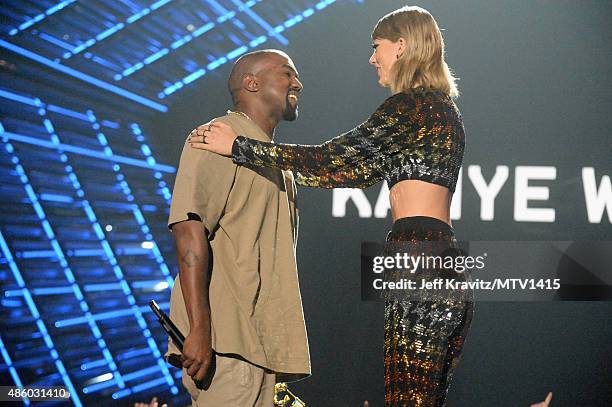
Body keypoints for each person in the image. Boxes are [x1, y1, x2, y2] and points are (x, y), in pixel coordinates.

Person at [188, 6, 473, 406]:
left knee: (407, 399)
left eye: (378, 47)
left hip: (416, 256)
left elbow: (329, 163)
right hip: (445, 260)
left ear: (403, 46)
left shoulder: (409, 107)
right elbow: (355, 171)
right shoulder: (446, 111)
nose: (373, 58)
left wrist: (239, 147)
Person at [164, 49, 310, 406]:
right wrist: (199, 329)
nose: (298, 83)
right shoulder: (214, 138)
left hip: (259, 347)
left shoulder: (273, 159)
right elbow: (188, 230)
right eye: (287, 73)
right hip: (225, 343)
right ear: (252, 82)